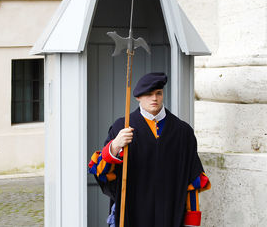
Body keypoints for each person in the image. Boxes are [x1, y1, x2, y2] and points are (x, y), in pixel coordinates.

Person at [88, 72, 210, 227]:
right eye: (149, 94)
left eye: (158, 93)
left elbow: (192, 182)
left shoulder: (183, 132)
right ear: (138, 97)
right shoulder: (122, 127)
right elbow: (103, 173)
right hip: (131, 215)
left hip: (170, 216)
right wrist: (114, 146)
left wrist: (192, 224)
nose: (154, 98)